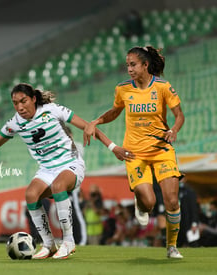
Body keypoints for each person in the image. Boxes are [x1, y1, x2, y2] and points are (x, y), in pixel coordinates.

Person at [0, 83, 123, 259]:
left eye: (23, 101)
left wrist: (113, 147)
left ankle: (68, 242)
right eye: (15, 103)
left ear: (34, 99)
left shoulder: (52, 110)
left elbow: (88, 127)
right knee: (31, 195)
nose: (20, 107)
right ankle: (48, 244)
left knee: (59, 186)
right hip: (46, 168)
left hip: (70, 163)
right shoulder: (15, 123)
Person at [83, 46, 185, 258]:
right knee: (149, 203)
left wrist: (174, 130)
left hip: (161, 150)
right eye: (127, 65)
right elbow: (114, 111)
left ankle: (172, 246)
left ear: (145, 65)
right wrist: (96, 121)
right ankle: (140, 202)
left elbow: (179, 115)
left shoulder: (163, 87)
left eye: (133, 65)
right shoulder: (123, 89)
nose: (129, 69)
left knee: (172, 200)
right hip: (134, 154)